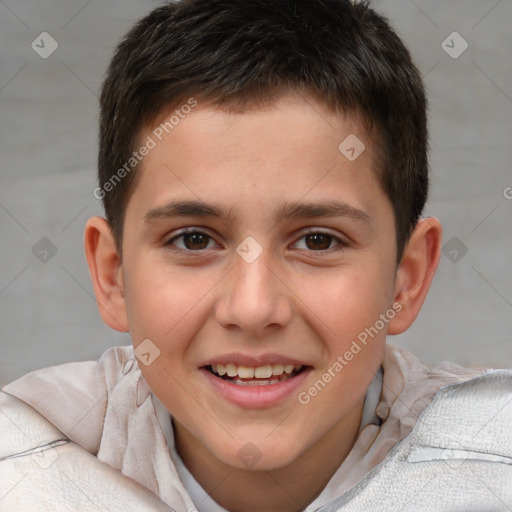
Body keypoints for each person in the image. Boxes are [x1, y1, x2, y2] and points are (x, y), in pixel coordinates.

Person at [1, 1, 511, 510]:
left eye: (318, 241)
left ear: (406, 279)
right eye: (194, 239)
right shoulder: (24, 461)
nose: (252, 308)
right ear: (114, 277)